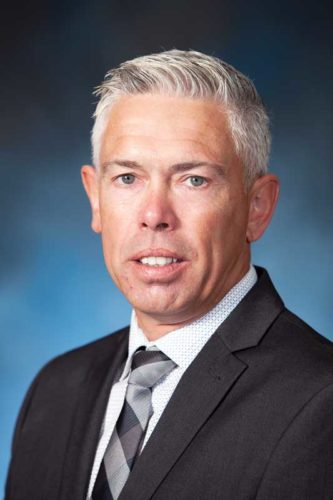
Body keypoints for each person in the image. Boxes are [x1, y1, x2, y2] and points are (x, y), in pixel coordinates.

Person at [5, 50, 333, 500]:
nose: (155, 215)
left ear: (257, 207)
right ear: (95, 199)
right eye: (127, 178)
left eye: (193, 179)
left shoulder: (321, 403)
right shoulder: (54, 390)